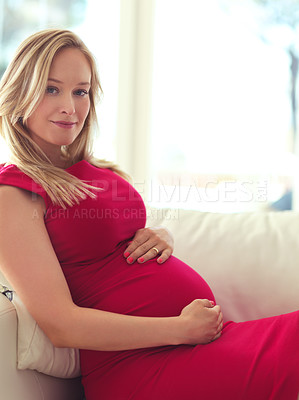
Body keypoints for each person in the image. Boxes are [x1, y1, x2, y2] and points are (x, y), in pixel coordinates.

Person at [0, 29, 298, 400]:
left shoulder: (97, 170)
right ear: (19, 93)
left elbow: (115, 244)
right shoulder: (14, 191)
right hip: (139, 367)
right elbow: (61, 325)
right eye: (51, 89)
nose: (70, 107)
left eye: (81, 91)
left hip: (195, 346)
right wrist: (179, 329)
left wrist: (162, 236)